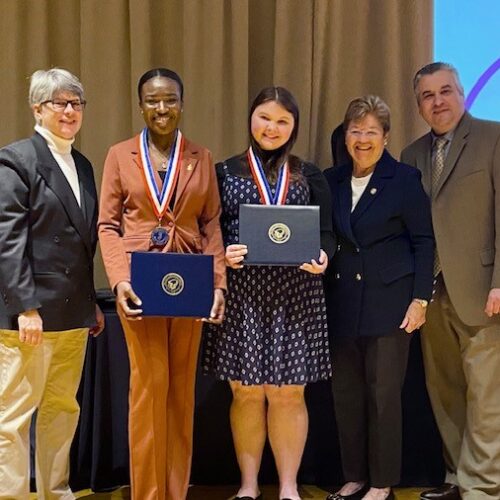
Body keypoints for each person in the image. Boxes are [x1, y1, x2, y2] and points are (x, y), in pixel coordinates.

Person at [98, 67, 226, 500]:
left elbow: (211, 224)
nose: (162, 108)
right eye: (153, 100)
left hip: (189, 287)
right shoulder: (119, 155)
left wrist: (218, 285)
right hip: (140, 287)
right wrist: (118, 282)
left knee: (180, 394)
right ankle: (147, 494)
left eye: (170, 99)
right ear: (140, 106)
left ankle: (176, 491)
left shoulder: (200, 157)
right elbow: (107, 226)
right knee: (147, 391)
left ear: (182, 103)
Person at [201, 86, 335, 500]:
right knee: (245, 391)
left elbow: (327, 234)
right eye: (265, 117)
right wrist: (225, 254)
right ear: (250, 119)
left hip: (295, 295)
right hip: (243, 295)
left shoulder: (308, 173)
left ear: (293, 127)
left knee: (288, 392)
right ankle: (247, 485)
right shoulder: (224, 171)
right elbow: (209, 229)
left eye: (282, 121)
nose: (272, 128)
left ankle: (290, 487)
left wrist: (323, 257)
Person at [323, 95, 434, 500]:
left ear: (386, 137)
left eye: (372, 131)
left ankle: (383, 482)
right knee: (347, 397)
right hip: (342, 305)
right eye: (356, 131)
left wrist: (421, 299)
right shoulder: (330, 180)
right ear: (346, 136)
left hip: (391, 306)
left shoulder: (404, 179)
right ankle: (354, 475)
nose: (363, 139)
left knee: (384, 397)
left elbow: (424, 242)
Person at [0, 68, 104, 499]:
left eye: (76, 103)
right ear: (37, 109)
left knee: (63, 410)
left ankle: (56, 491)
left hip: (73, 315)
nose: (69, 111)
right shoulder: (16, 159)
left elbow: (82, 244)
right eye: (58, 103)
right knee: (12, 417)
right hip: (31, 315)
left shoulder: (82, 163)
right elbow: (8, 239)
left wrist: (91, 303)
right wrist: (25, 306)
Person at [401, 62, 500, 500]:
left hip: (482, 289)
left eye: (446, 91)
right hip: (431, 293)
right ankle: (457, 477)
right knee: (444, 390)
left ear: (462, 93)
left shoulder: (494, 138)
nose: (438, 101)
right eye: (427, 95)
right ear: (419, 105)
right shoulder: (411, 155)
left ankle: (484, 486)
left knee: (487, 396)